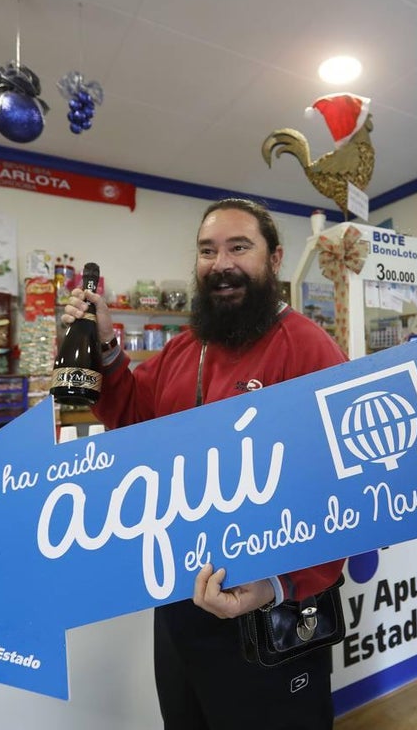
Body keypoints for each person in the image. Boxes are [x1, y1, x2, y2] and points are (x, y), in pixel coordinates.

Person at [62, 197, 347, 730]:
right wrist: (103, 345)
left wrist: (276, 585)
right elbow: (131, 411)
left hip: (270, 613)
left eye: (240, 247)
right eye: (207, 251)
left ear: (274, 258)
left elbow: (349, 496)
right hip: (180, 603)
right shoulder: (184, 347)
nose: (222, 264)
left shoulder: (311, 350)